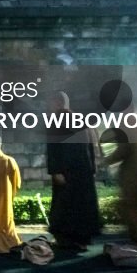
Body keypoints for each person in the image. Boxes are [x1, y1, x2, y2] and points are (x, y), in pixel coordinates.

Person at [46, 91, 101, 250]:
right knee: (82, 204)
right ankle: (82, 239)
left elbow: (53, 148)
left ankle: (66, 238)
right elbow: (91, 146)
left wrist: (55, 170)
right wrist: (92, 169)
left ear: (57, 103)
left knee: (66, 205)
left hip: (66, 172)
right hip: (83, 170)